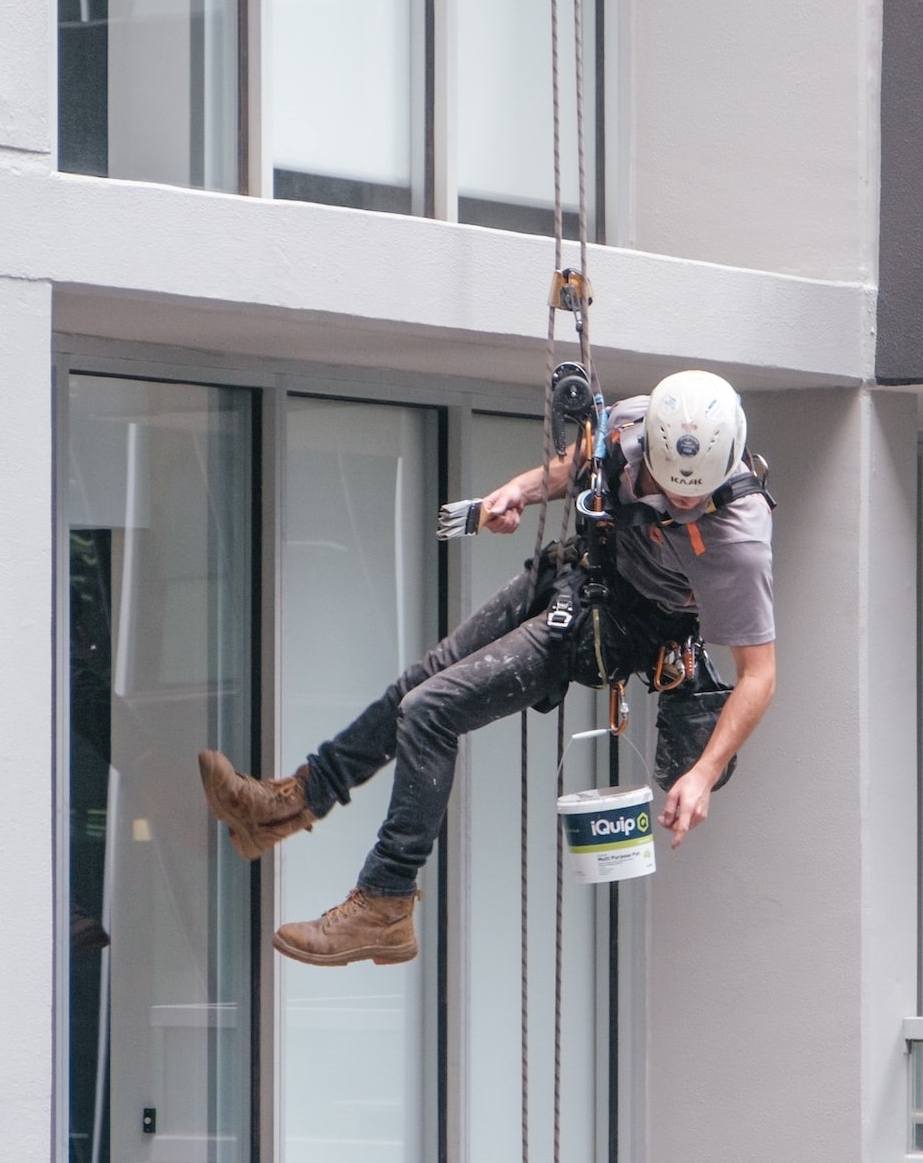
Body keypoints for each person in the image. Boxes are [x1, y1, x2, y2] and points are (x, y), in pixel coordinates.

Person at [196, 370, 776, 966]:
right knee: (417, 687)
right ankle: (287, 805)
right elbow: (578, 464)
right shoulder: (633, 423)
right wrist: (518, 492)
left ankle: (386, 901)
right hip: (579, 575)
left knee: (431, 711)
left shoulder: (738, 537)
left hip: (622, 629)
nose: (683, 503)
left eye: (695, 497)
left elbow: (759, 673)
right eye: (670, 488)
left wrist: (703, 773)